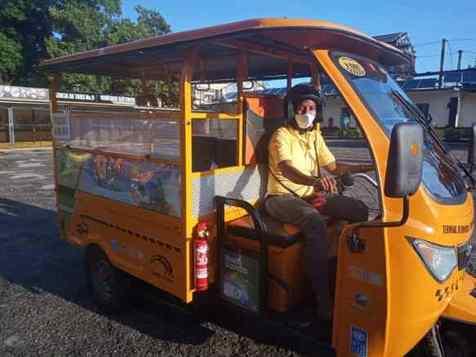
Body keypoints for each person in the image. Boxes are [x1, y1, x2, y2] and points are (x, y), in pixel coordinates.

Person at [264, 84, 373, 321]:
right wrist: (315, 181)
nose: (307, 112)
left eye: (311, 108)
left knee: (359, 209)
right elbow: (287, 169)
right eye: (302, 107)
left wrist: (373, 165)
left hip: (309, 195)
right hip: (280, 198)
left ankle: (338, 267)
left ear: (318, 112)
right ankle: (322, 300)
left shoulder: (315, 135)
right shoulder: (280, 136)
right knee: (314, 222)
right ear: (292, 110)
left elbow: (334, 166)